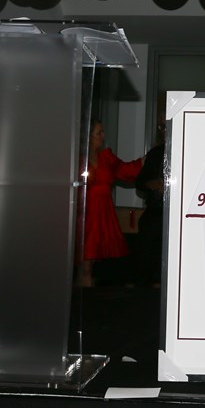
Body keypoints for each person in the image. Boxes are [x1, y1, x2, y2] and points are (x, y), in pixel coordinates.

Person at [80, 119, 143, 286]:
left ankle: (89, 297)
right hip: (85, 211)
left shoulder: (106, 157)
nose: (103, 136)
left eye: (102, 132)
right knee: (85, 261)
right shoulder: (77, 158)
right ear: (88, 136)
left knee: (94, 263)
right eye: (98, 133)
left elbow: (125, 171)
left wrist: (145, 160)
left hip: (103, 211)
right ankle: (81, 296)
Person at [134, 120, 166, 288]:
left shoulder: (190, 150)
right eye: (162, 127)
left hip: (178, 215)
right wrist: (150, 183)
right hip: (154, 211)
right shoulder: (155, 154)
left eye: (167, 126)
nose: (164, 131)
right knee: (145, 254)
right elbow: (139, 182)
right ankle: (143, 290)